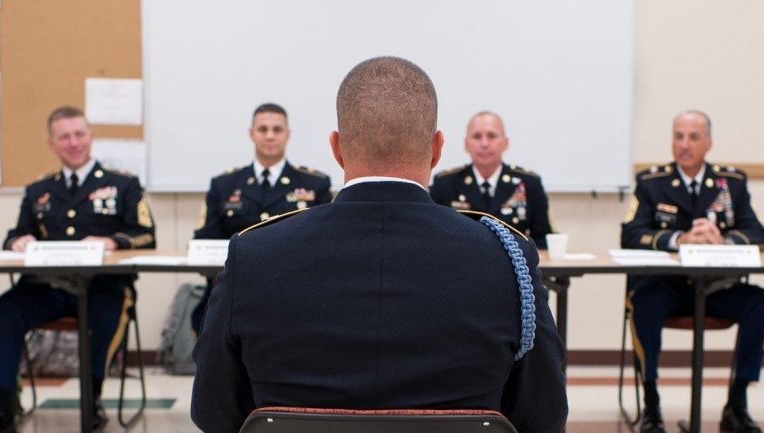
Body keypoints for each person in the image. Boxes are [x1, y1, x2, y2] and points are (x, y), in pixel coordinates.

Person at [191, 56, 567, 433]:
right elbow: (544, 415)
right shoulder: (508, 259)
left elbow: (212, 411)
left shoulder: (254, 255)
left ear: (336, 148)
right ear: (437, 149)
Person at [0, 106, 156, 433]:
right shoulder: (38, 190)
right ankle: (2, 404)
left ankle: (91, 399)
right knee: (3, 313)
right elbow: (15, 234)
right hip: (46, 288)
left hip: (103, 286)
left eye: (79, 134)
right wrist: (17, 241)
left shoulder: (123, 185)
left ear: (91, 136)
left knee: (106, 317)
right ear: (52, 143)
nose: (73, 143)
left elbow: (146, 234)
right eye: (64, 137)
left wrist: (114, 242)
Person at [622, 110, 764, 433]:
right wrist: (678, 239)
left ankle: (737, 403)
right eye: (679, 136)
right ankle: (651, 406)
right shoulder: (651, 183)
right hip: (666, 288)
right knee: (643, 304)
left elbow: (756, 231)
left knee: (759, 303)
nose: (684, 144)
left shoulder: (732, 183)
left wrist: (724, 240)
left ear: (708, 143)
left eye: (693, 137)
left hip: (717, 288)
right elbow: (631, 233)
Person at [191, 103, 332, 334]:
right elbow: (203, 240)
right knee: (202, 318)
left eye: (277, 129)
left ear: (287, 134)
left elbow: (325, 242)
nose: (270, 136)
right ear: (251, 134)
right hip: (234, 288)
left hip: (294, 289)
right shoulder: (224, 185)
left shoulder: (314, 184)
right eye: (263, 129)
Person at [429, 111, 554, 248]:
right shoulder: (445, 184)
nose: (484, 143)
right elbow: (434, 237)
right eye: (477, 136)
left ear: (505, 143)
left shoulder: (529, 183)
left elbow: (543, 240)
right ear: (466, 144)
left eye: (492, 136)